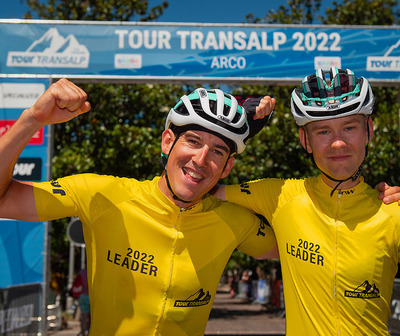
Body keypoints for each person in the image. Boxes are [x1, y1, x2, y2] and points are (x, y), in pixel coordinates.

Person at [0, 79, 276, 335]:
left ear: (228, 166)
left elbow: (302, 239)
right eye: (193, 141)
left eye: (217, 151)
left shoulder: (234, 221)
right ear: (167, 142)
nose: (201, 159)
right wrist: (32, 119)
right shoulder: (102, 195)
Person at [214, 67, 400, 335]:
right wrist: (234, 134)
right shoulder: (278, 196)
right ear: (305, 140)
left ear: (369, 131)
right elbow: (194, 188)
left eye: (349, 127)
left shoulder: (392, 210)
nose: (338, 143)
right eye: (323, 132)